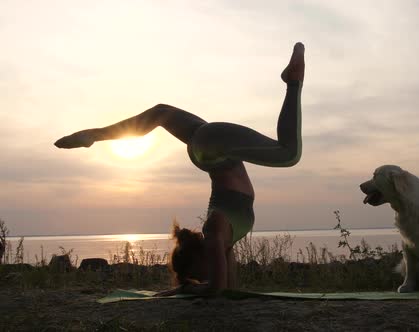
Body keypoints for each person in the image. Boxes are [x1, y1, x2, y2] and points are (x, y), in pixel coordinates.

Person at [55, 42, 305, 295]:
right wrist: (186, 288)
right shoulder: (224, 238)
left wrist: (180, 291)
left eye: (199, 275)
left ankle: (293, 82)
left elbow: (215, 289)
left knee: (289, 154)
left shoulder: (215, 230)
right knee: (161, 113)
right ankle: (93, 135)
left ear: (199, 259)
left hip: (214, 148)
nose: (206, 276)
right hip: (212, 148)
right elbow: (228, 291)